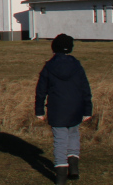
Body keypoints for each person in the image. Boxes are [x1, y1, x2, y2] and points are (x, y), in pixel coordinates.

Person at [35, 34, 92, 184]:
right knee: (73, 135)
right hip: (76, 107)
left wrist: (39, 110)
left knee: (60, 141)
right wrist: (87, 110)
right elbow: (85, 89)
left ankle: (60, 177)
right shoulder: (77, 65)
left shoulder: (48, 66)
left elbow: (41, 90)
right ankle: (73, 169)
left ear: (53, 48)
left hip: (57, 109)